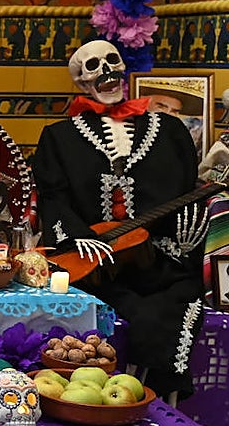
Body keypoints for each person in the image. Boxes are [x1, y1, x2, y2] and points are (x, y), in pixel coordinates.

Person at [32, 40, 208, 399]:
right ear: (81, 83)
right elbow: (54, 196)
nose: (108, 73)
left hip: (159, 262)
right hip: (96, 266)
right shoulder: (59, 138)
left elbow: (187, 190)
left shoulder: (171, 133)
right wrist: (75, 236)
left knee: (170, 303)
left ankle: (159, 394)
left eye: (113, 62)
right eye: (94, 66)